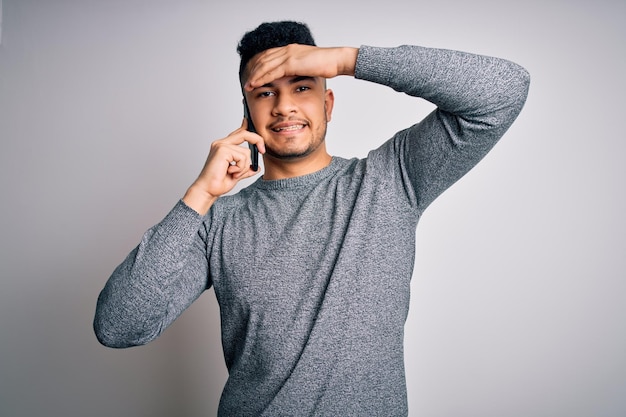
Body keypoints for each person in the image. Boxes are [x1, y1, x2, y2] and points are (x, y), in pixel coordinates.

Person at [94, 21, 530, 416]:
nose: (284, 107)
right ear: (247, 114)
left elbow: (504, 91)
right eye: (265, 92)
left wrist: (346, 59)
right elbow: (118, 326)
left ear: (329, 102)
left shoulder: (391, 179)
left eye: (301, 87)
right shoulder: (217, 220)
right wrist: (199, 195)